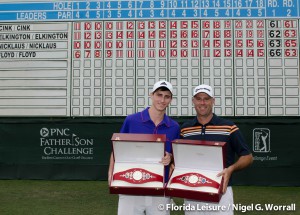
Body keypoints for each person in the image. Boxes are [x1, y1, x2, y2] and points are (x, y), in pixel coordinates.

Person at [108, 80, 180, 215]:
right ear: (151, 95)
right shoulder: (132, 120)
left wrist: (170, 157)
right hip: (130, 186)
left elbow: (176, 158)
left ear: (171, 100)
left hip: (160, 189)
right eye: (159, 95)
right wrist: (111, 174)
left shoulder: (174, 126)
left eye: (167, 96)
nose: (162, 100)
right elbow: (116, 149)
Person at [180, 84, 253, 215]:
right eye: (199, 98)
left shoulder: (229, 127)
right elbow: (178, 159)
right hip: (192, 191)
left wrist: (231, 169)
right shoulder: (185, 129)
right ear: (193, 101)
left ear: (213, 101)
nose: (202, 103)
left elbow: (247, 156)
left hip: (221, 192)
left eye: (206, 99)